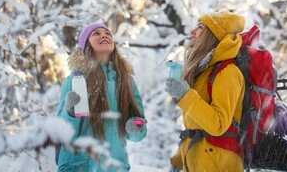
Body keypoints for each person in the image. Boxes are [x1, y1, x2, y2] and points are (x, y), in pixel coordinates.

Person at [56, 21, 147, 172]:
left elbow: (138, 134)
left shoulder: (126, 81)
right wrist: (70, 113)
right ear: (85, 44)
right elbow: (62, 133)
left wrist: (135, 127)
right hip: (79, 166)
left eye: (107, 34)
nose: (103, 36)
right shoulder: (75, 80)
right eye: (96, 34)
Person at [166, 12, 246, 172]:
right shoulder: (205, 72)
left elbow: (218, 124)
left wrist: (186, 96)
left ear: (212, 35)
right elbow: (196, 128)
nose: (192, 32)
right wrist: (178, 160)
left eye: (200, 27)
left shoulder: (227, 72)